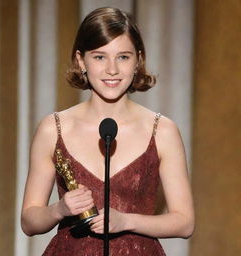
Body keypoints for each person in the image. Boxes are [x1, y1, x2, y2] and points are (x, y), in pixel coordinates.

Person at [21, 7, 194, 256]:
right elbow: (29, 221)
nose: (112, 69)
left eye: (123, 57)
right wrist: (59, 210)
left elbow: (184, 222)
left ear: (138, 60)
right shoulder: (53, 128)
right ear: (81, 61)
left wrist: (126, 221)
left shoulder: (162, 131)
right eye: (99, 57)